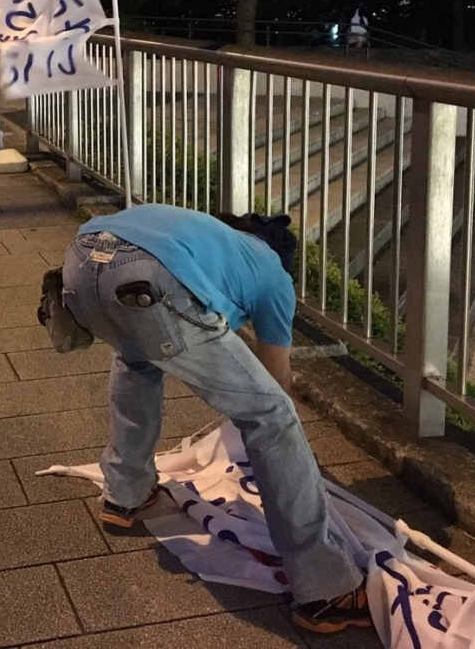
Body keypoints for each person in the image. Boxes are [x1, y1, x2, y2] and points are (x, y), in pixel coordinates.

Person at [60, 203, 371, 634]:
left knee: (137, 360)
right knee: (272, 416)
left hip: (79, 262)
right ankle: (325, 588)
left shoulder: (213, 239)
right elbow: (274, 380)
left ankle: (125, 494)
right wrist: (287, 449)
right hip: (148, 276)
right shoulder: (274, 273)